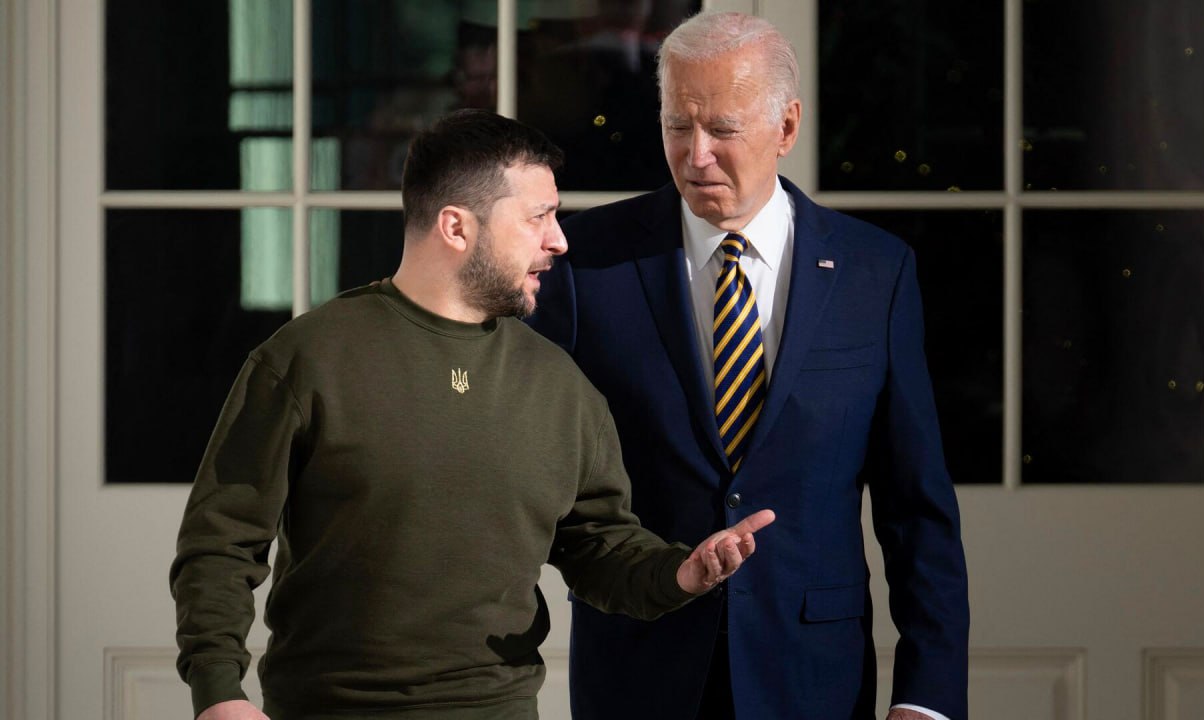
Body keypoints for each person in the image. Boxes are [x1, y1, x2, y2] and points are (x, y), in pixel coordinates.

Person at [170, 108, 775, 720]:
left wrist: (680, 573)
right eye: (538, 217)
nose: (559, 240)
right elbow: (221, 542)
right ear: (456, 227)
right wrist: (218, 691)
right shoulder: (308, 359)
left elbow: (600, 549)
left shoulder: (560, 385)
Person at [526, 11, 968, 720]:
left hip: (812, 676)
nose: (696, 155)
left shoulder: (874, 273)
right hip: (638, 671)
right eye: (677, 126)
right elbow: (526, 472)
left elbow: (916, 509)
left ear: (786, 128)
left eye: (722, 129)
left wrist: (928, 697)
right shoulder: (587, 264)